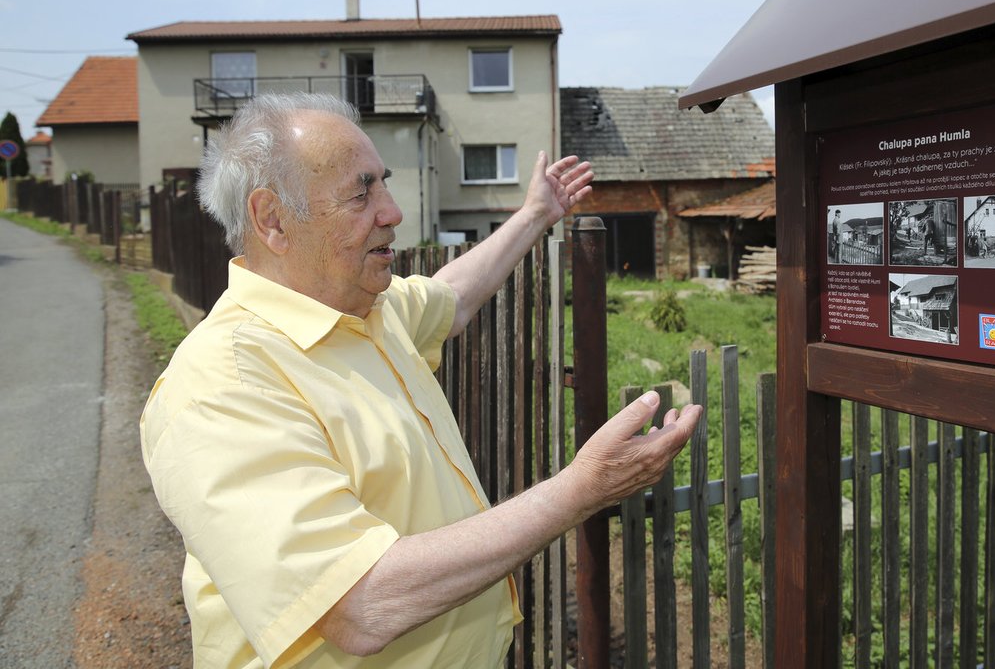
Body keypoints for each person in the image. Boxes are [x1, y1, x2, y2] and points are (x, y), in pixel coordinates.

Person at [140, 93, 702, 668]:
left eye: (383, 184)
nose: (392, 212)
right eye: (361, 193)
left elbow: (454, 296)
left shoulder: (364, 309)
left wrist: (536, 213)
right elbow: (358, 602)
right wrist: (581, 490)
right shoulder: (222, 386)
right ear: (273, 220)